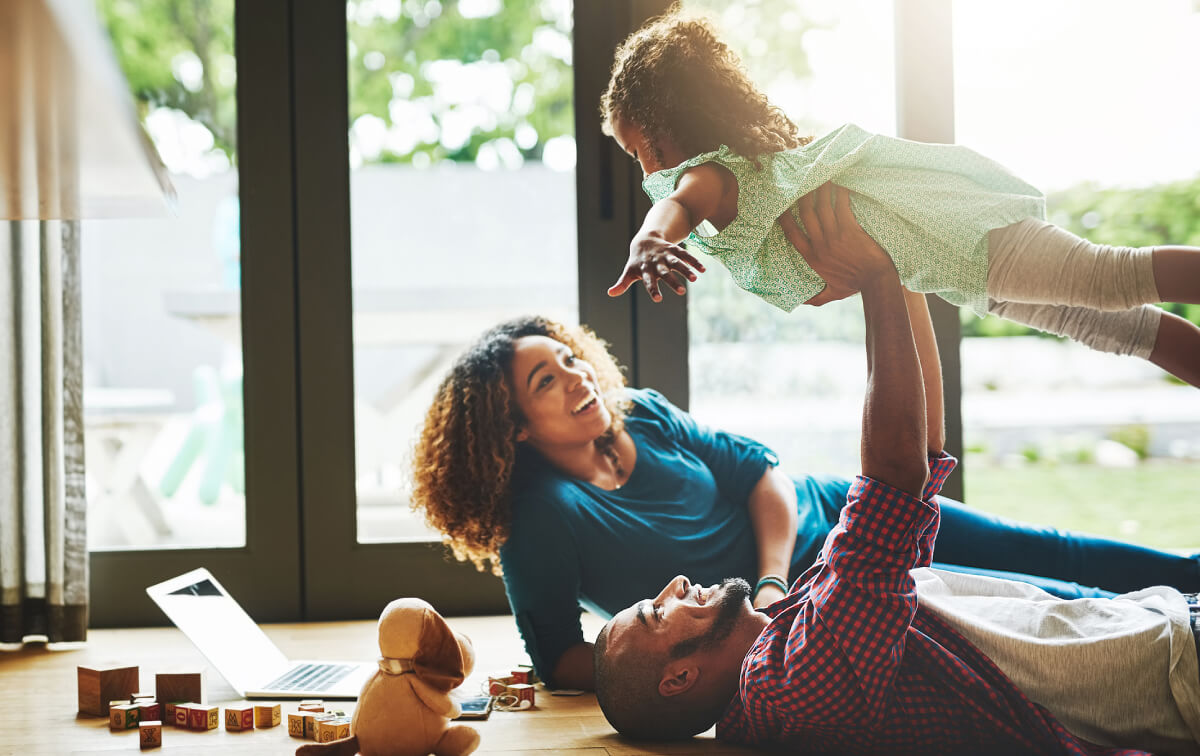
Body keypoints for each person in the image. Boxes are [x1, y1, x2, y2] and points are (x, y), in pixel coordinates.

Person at [409, 198, 1200, 693]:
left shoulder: (639, 414)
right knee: (1042, 609)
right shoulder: (541, 517)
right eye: (546, 382)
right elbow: (562, 659)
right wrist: (700, 675)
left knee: (1059, 554)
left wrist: (768, 582)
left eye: (570, 357)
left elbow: (764, 475)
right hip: (824, 611)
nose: (578, 376)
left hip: (836, 520)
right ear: (510, 427)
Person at [593, 187, 1200, 754]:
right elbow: (893, 479)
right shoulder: (793, 683)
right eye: (655, 612)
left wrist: (900, 273)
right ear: (679, 678)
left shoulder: (785, 639)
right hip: (1176, 668)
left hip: (1157, 627)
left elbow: (922, 458)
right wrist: (876, 279)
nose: (674, 585)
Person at [600, 8, 1200, 388]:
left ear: (665, 126)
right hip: (955, 265)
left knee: (1109, 277)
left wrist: (650, 239)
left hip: (960, 235)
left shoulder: (713, 177)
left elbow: (676, 205)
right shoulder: (758, 176)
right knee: (1119, 328)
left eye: (637, 152)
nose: (644, 171)